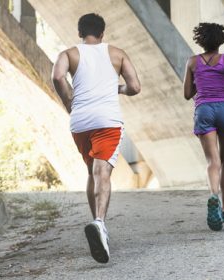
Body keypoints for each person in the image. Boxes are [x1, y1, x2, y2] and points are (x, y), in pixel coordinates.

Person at [51, 13, 141, 263]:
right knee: (103, 173)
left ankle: (98, 225)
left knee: (92, 171)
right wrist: (118, 88)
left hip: (80, 122)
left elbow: (57, 77)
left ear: (80, 33)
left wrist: (70, 101)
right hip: (107, 120)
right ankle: (99, 222)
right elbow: (135, 87)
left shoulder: (69, 54)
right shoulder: (117, 54)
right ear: (102, 33)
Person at [183, 22, 224, 231]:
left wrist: (201, 83)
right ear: (221, 40)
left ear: (200, 41)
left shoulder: (192, 62)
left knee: (213, 161)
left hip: (204, 110)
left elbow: (187, 93)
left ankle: (213, 196)